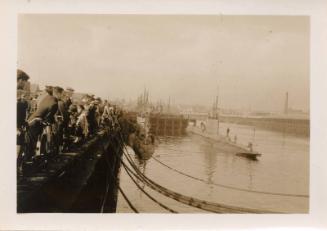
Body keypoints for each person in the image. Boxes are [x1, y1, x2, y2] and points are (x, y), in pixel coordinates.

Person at [26, 86, 63, 160]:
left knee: (31, 142)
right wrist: (50, 135)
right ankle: (27, 162)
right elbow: (48, 119)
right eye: (62, 94)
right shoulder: (54, 103)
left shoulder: (48, 98)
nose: (62, 96)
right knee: (32, 143)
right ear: (58, 93)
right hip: (36, 122)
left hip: (32, 121)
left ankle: (29, 159)